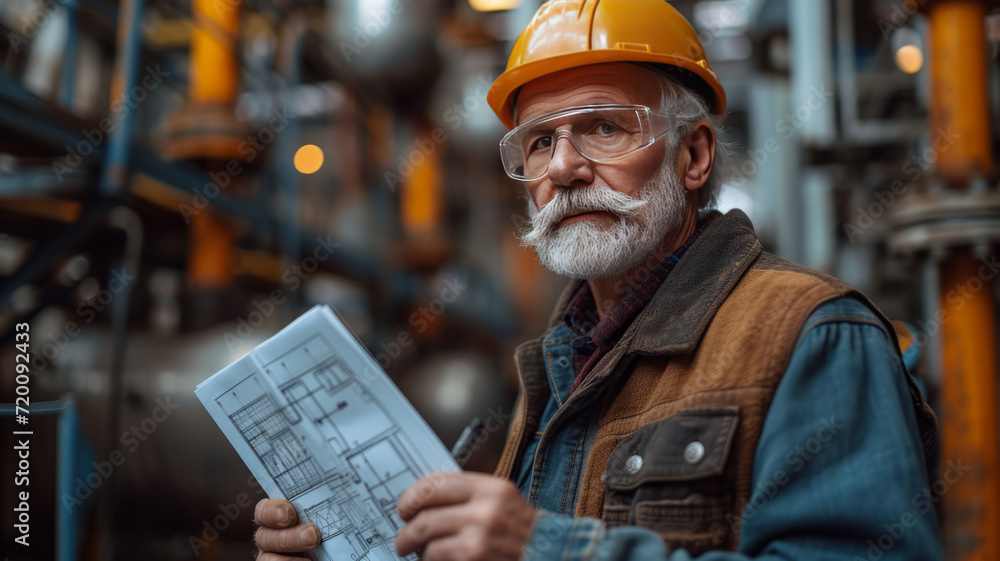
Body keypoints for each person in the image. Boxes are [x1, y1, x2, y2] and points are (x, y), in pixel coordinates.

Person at [250, 1, 943, 560]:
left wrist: (547, 549)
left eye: (605, 128)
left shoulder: (811, 333)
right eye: (539, 142)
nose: (562, 168)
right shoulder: (561, 360)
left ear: (694, 153)